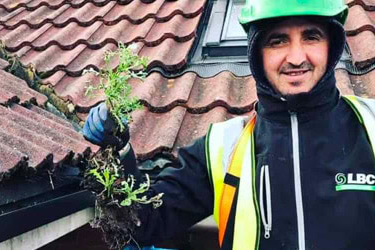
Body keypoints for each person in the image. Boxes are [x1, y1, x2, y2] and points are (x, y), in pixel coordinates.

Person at [83, 0, 375, 249]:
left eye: (311, 37)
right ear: (257, 52)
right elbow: (144, 222)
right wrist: (118, 151)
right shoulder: (221, 149)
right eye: (278, 40)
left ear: (332, 45)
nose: (296, 57)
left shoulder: (372, 128)